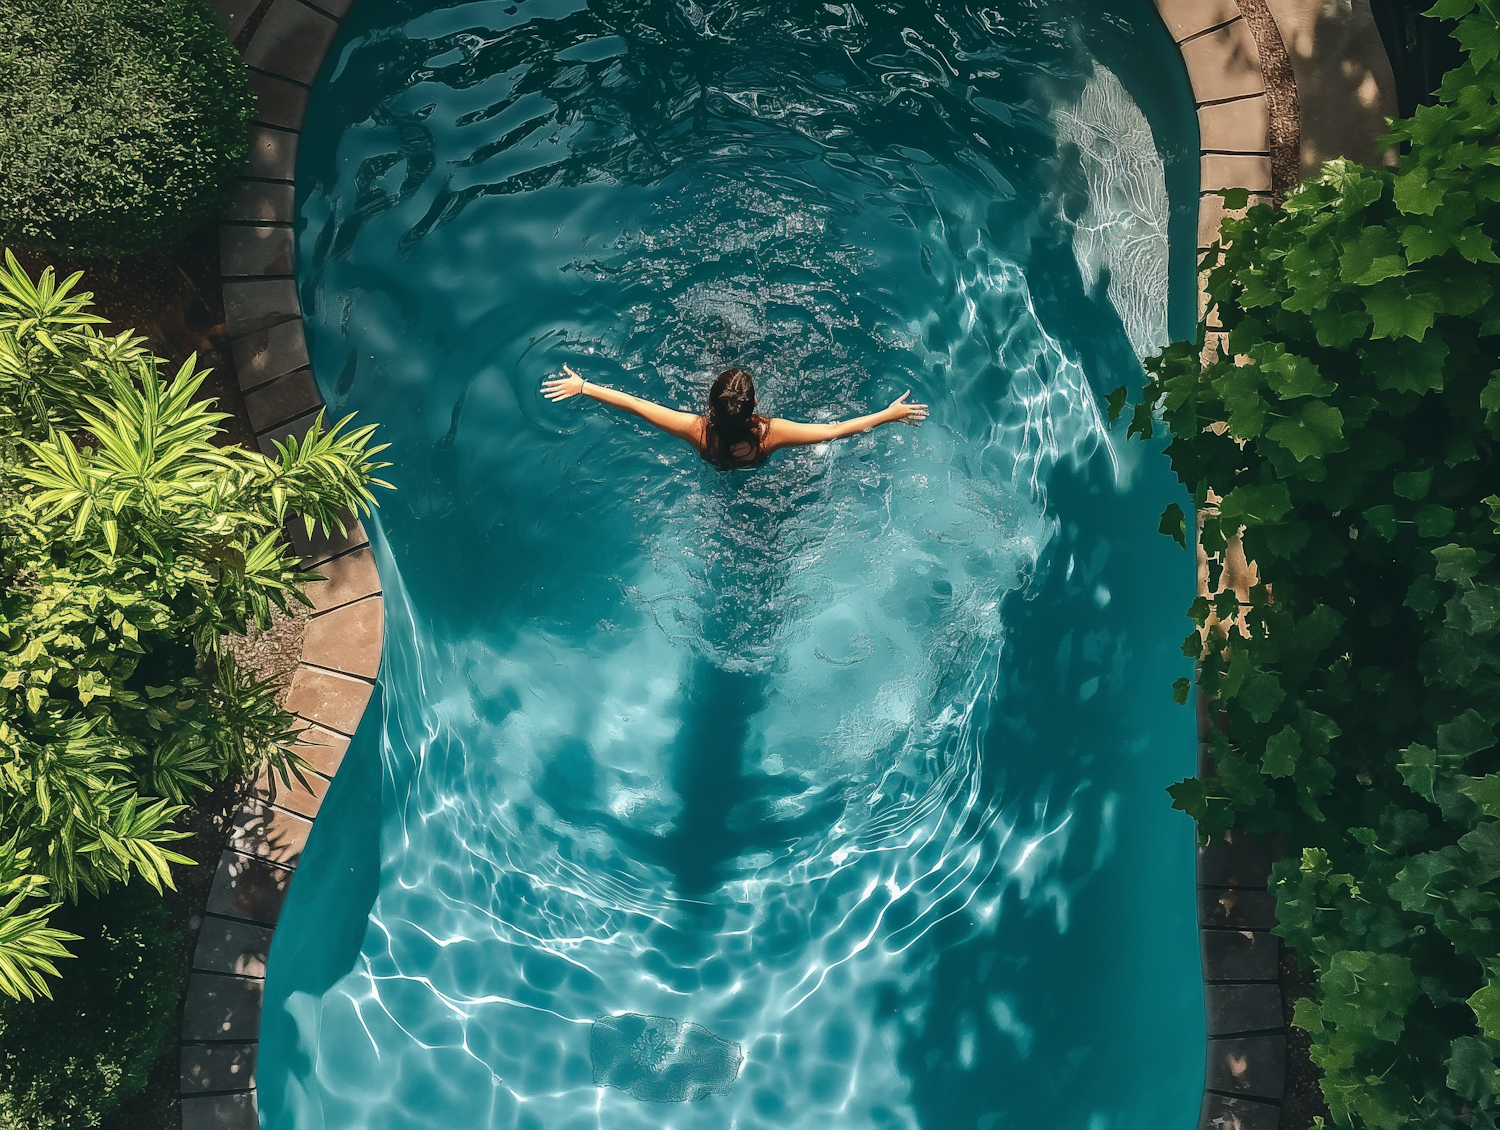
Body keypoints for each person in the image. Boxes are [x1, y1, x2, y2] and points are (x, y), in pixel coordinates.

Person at [541, 365, 928, 469]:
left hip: (715, 464)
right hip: (757, 467)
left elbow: (637, 406)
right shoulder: (770, 434)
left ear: (709, 408)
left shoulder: (696, 431)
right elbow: (834, 430)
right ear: (755, 403)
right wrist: (889, 414)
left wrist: (584, 387)